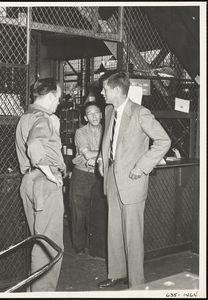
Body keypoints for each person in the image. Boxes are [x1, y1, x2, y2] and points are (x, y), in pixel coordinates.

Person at [97, 70, 171, 289]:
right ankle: (117, 274)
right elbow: (108, 141)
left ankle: (136, 283)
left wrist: (142, 166)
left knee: (133, 234)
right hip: (112, 179)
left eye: (105, 89)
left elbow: (163, 141)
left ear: (118, 90)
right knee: (114, 229)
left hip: (133, 180)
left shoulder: (140, 113)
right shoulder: (110, 110)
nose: (102, 93)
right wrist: (102, 161)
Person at [15, 78, 65, 292]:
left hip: (29, 181)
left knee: (40, 240)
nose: (59, 103)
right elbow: (35, 145)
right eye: (59, 98)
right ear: (51, 95)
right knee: (50, 245)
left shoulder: (25, 117)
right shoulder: (43, 117)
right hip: (45, 182)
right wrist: (51, 175)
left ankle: (33, 292)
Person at [69, 101, 103, 255]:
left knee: (96, 212)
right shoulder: (80, 132)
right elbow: (87, 154)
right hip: (82, 175)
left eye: (96, 112)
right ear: (85, 117)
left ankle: (94, 246)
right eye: (90, 113)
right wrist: (102, 153)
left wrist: (96, 157)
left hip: (100, 175)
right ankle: (79, 246)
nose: (94, 116)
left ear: (101, 115)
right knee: (78, 211)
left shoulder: (108, 131)